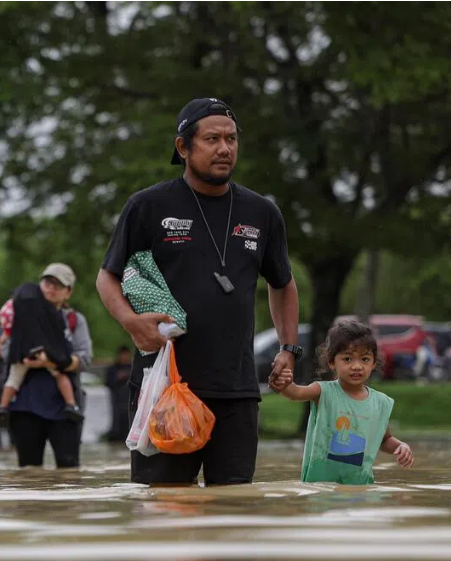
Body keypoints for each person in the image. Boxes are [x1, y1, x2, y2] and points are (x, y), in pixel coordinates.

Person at [96, 97, 300, 487]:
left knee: (236, 509)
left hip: (236, 390)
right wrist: (131, 322)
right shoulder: (148, 206)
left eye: (231, 139)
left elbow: (283, 284)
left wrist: (288, 350)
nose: (225, 148)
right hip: (165, 386)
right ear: (183, 147)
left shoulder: (262, 213)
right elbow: (108, 277)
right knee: (164, 511)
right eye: (211, 139)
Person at [271, 319, 414, 484]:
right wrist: (284, 384)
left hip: (360, 488)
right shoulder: (323, 391)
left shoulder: (379, 403)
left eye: (365, 359)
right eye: (347, 359)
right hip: (320, 487)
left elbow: (384, 439)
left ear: (374, 363)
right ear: (332, 362)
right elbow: (296, 393)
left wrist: (400, 446)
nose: (357, 366)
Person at [5, 263, 93, 469]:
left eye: (58, 285)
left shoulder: (75, 320)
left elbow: (85, 359)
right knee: (28, 471)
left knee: (69, 469)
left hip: (64, 408)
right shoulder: (20, 312)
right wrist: (32, 358)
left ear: (68, 292)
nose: (51, 288)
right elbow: (6, 350)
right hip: (25, 405)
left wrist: (53, 362)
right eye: (47, 282)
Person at [0, 284, 84, 425]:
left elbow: (6, 327)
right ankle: (71, 404)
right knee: (58, 373)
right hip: (42, 349)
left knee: (13, 380)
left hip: (21, 350)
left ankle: (3, 407)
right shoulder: (45, 308)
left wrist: (5, 337)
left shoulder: (10, 308)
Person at [101, 346, 133, 443]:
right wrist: (118, 378)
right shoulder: (113, 368)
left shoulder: (132, 367)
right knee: (117, 421)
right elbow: (107, 383)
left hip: (130, 399)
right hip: (117, 400)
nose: (124, 357)